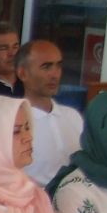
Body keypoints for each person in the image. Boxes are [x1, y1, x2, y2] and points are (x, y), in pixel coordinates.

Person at [17, 40, 83, 187]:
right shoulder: (13, 122)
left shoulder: (73, 116)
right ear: (22, 73)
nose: (55, 74)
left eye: (58, 66)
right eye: (46, 67)